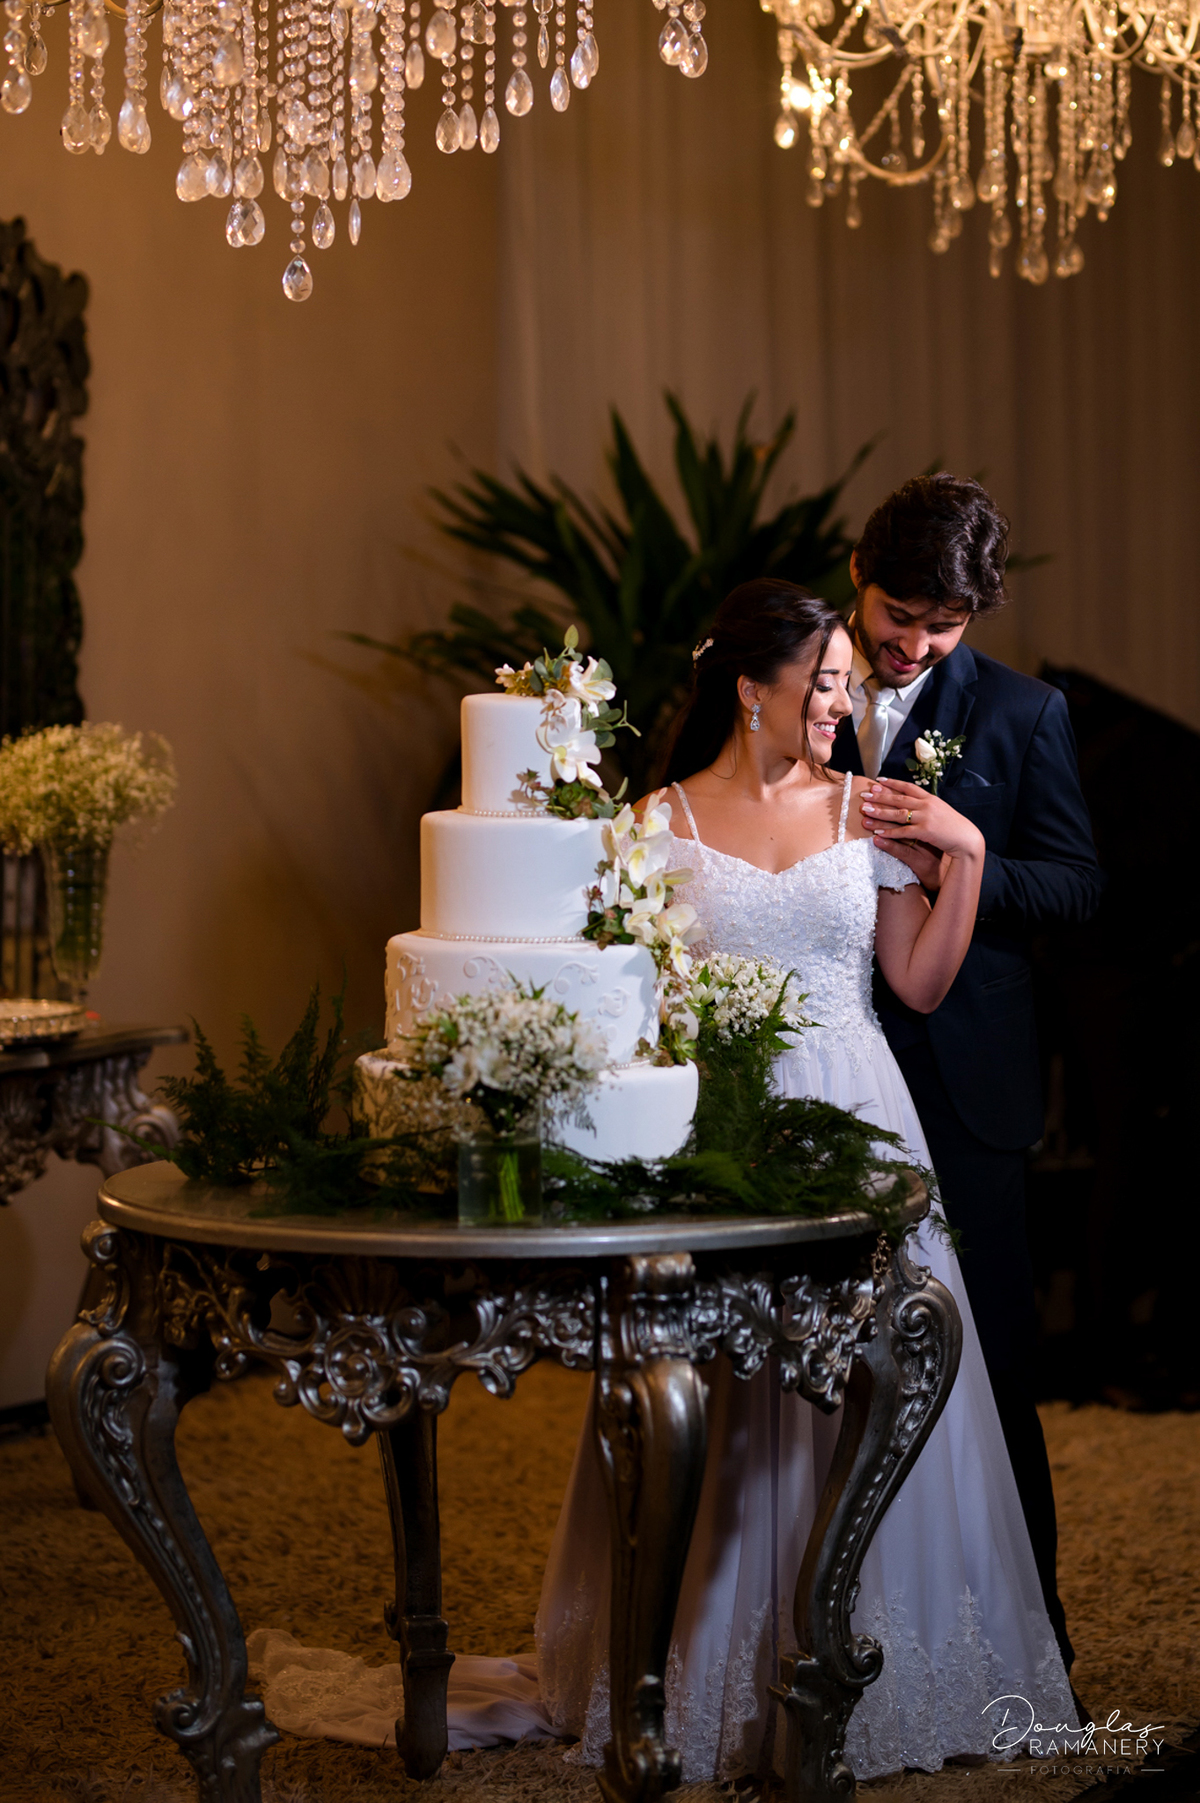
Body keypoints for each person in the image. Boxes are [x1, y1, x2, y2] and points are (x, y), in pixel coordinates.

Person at [535, 581, 1078, 1782]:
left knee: (885, 1374)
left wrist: (966, 854)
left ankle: (876, 1662)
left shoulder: (864, 807)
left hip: (862, 1118)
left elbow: (919, 982)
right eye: (824, 684)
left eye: (844, 684)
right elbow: (620, 996)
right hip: (723, 1131)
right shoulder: (654, 822)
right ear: (751, 689)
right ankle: (697, 1671)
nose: (844, 704)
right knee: (721, 1391)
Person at [829, 474, 1103, 1676]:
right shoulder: (797, 684)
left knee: (990, 1356)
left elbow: (1077, 887)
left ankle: (1033, 1638)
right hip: (822, 1055)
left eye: (943, 627)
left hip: (968, 1080)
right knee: (819, 1354)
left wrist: (958, 858)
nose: (914, 646)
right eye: (900, 615)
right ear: (859, 574)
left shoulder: (1025, 714)